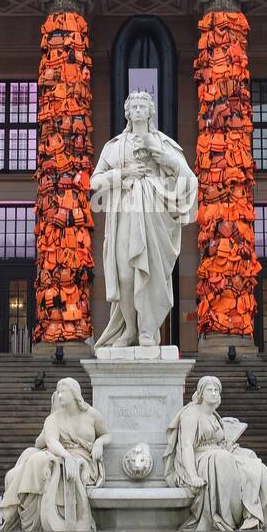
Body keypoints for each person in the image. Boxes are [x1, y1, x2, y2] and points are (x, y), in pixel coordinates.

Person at [90, 91, 196, 347]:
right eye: (133, 106)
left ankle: (148, 331)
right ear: (127, 112)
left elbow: (190, 180)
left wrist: (169, 160)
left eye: (142, 105)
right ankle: (129, 330)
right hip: (125, 213)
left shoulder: (165, 143)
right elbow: (94, 182)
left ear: (150, 111)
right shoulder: (113, 146)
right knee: (126, 276)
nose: (138, 109)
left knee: (152, 276)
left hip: (154, 215)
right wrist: (122, 173)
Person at [164, 375, 267, 532]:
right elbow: (186, 446)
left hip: (218, 451)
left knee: (250, 456)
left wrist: (227, 424)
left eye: (216, 390)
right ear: (201, 392)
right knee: (223, 458)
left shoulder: (214, 415)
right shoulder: (190, 414)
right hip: (199, 458)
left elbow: (218, 439)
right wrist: (193, 476)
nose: (213, 393)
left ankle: (252, 517)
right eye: (209, 389)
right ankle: (229, 520)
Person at [0, 378, 110, 532]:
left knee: (38, 460)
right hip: (60, 454)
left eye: (63, 392)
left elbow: (107, 434)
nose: (59, 396)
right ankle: (29, 524)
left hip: (84, 460)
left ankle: (36, 525)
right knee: (21, 470)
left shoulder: (91, 414)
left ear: (74, 393)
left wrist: (99, 442)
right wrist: (66, 456)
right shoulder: (53, 419)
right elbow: (51, 441)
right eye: (58, 392)